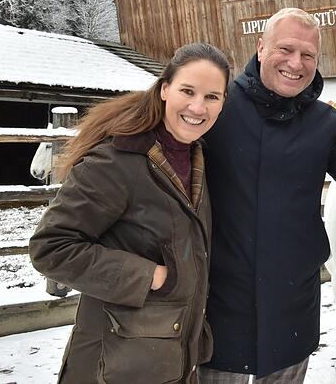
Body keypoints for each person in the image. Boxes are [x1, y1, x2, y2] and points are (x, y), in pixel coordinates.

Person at [199, 8, 336, 383]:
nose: (296, 63)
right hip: (221, 302)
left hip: (291, 303)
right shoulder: (218, 108)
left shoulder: (324, 121)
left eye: (308, 55)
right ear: (260, 48)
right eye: (285, 49)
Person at [29, 43, 231, 384]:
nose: (198, 106)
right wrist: (148, 276)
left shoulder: (196, 157)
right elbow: (50, 248)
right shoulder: (116, 161)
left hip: (171, 359)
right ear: (165, 88)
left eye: (212, 96)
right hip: (114, 366)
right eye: (187, 91)